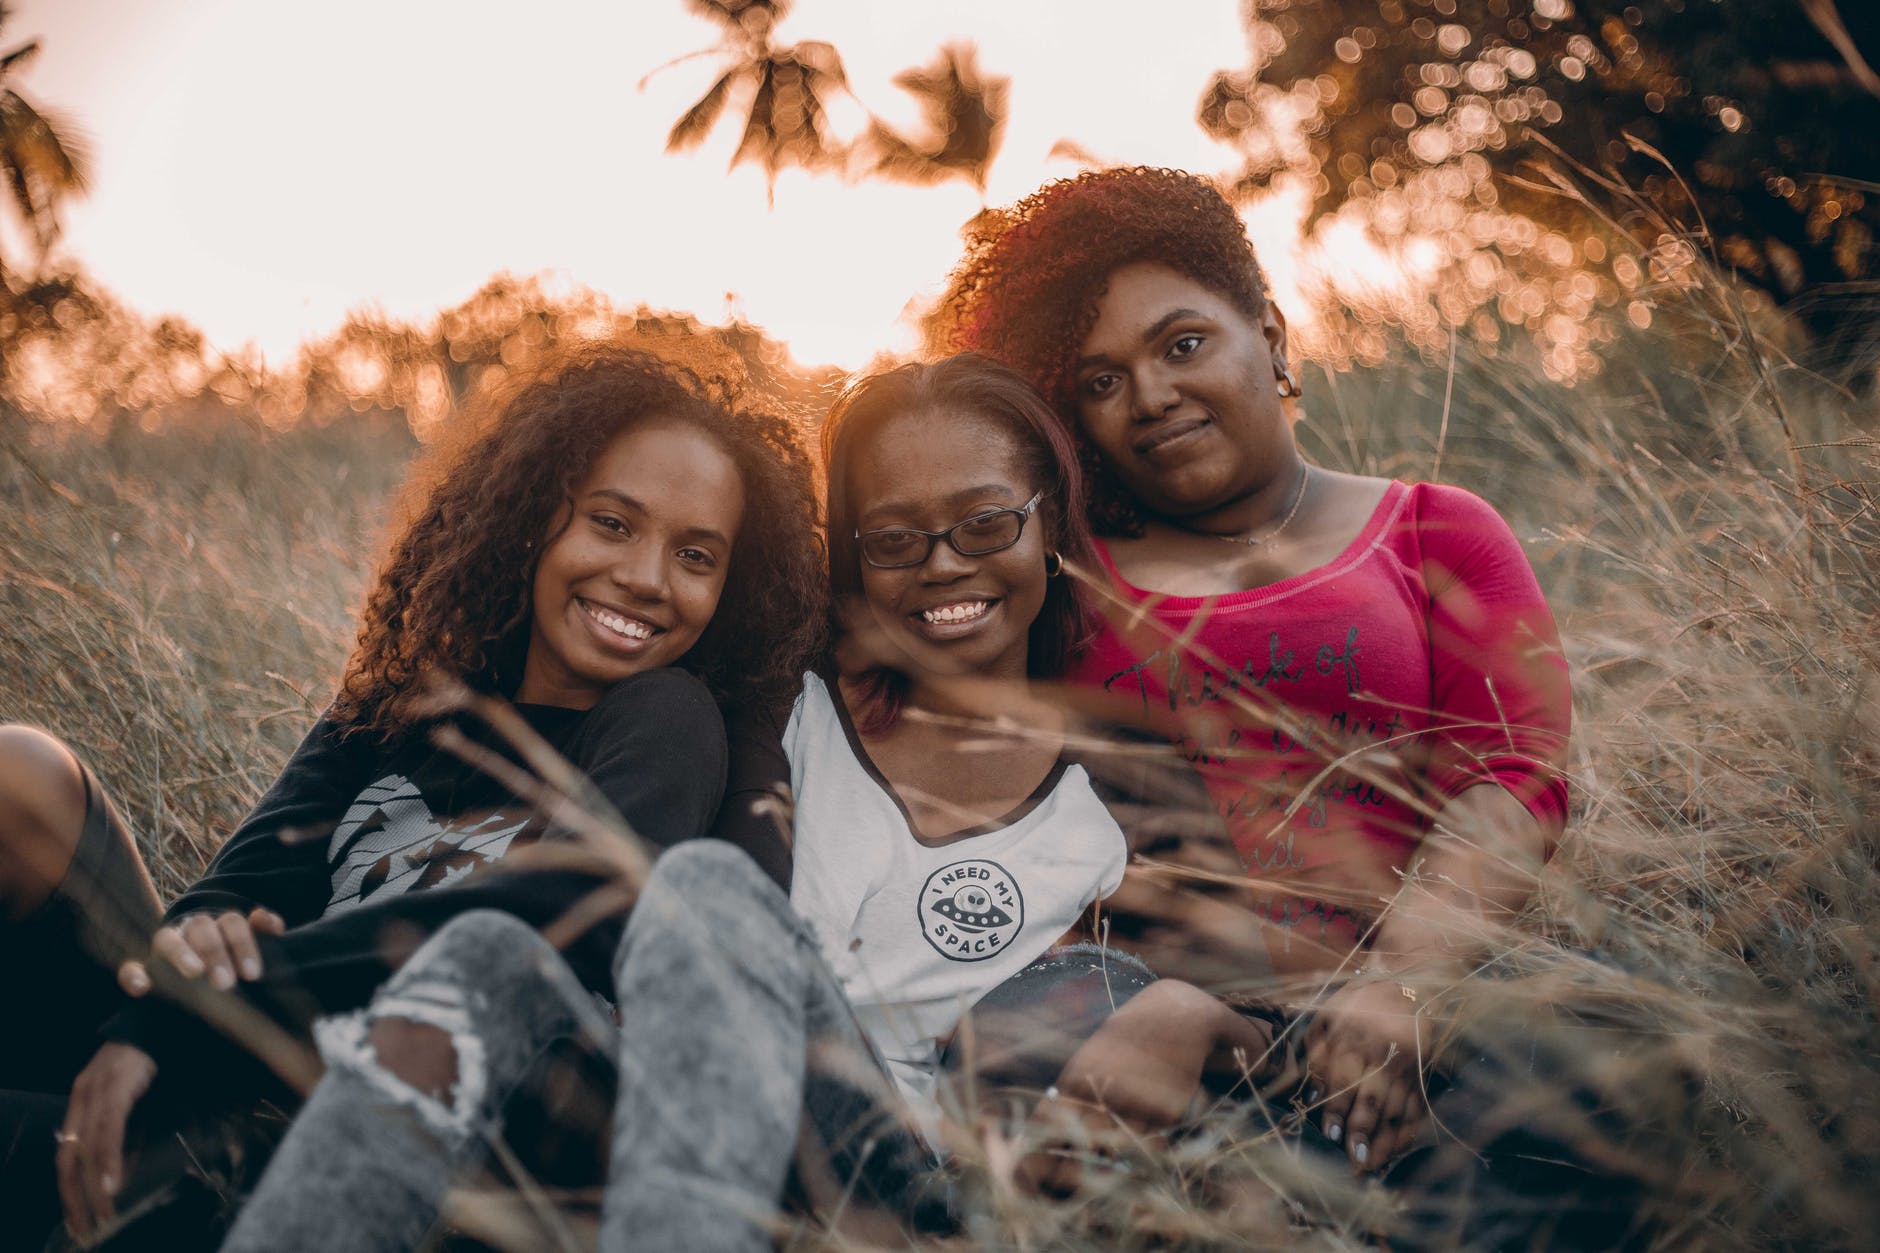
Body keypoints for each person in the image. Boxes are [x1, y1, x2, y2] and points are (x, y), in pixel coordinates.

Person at [216, 353, 1287, 1253]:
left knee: (704, 890)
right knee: (516, 948)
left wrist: (1193, 1008)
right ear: (849, 556)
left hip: (927, 1190)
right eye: (894, 538)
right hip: (707, 1122)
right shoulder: (776, 703)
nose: (941, 566)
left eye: (982, 523)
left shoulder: (1124, 768)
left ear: (1045, 526)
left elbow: (1259, 1007)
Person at [0, 345, 825, 1247]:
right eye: (613, 523)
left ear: (727, 586)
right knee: (22, 775)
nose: (646, 576)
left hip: (388, 1149)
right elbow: (238, 886)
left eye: (695, 554)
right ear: (533, 513)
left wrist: (191, 1012)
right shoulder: (400, 706)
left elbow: (571, 905)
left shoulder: (670, 717)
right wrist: (192, 956)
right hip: (217, 1065)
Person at [927, 168, 1614, 1241]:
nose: (1148, 394)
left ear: (1269, 331)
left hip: (1420, 1016)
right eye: (1099, 382)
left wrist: (1400, 988)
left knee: (1571, 1095)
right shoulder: (1056, 581)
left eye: (1182, 343)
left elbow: (1512, 774)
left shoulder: (1433, 528)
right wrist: (1164, 1007)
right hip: (1138, 1034)